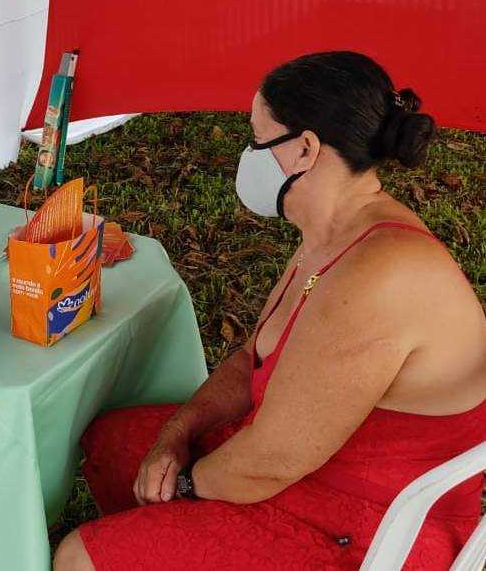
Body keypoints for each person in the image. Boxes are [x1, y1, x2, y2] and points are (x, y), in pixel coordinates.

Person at [54, 51, 486, 570]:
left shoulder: (382, 273)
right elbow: (251, 358)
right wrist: (178, 432)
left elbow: (272, 461)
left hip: (373, 530)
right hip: (303, 468)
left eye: (258, 139)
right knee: (112, 443)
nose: (249, 154)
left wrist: (186, 486)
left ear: (306, 148)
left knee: (78, 557)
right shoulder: (335, 232)